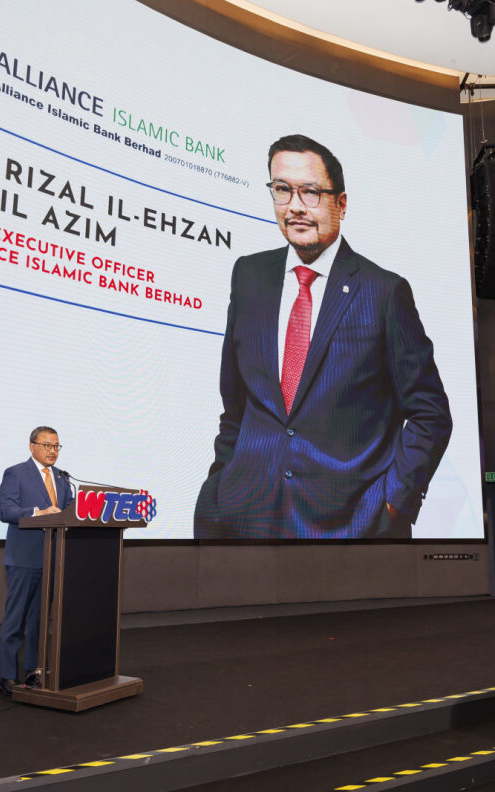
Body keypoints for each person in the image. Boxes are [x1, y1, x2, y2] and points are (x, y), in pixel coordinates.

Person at [193, 134, 452, 539]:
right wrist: (218, 487)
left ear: (341, 204)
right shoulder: (249, 276)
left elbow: (430, 412)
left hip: (349, 530)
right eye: (282, 189)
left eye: (310, 192)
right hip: (241, 523)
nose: (295, 206)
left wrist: (392, 505)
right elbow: (236, 404)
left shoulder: (384, 292)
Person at [0, 426, 73, 696]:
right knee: (16, 620)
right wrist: (38, 513)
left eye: (56, 446)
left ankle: (33, 670)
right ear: (33, 447)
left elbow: (69, 512)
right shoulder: (16, 473)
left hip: (52, 559)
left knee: (40, 622)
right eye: (47, 445)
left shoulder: (62, 478)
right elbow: (5, 511)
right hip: (24, 558)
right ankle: (7, 675)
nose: (53, 451)